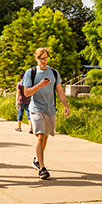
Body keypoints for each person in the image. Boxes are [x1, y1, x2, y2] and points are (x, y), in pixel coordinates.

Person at [22, 47, 69, 180]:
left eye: (46, 58)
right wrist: (39, 86)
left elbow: (59, 90)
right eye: (41, 58)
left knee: (46, 137)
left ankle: (37, 159)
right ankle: (42, 168)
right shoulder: (30, 73)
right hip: (36, 107)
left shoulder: (54, 72)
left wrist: (65, 105)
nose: (44, 61)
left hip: (50, 109)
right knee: (40, 136)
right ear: (37, 59)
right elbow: (26, 93)